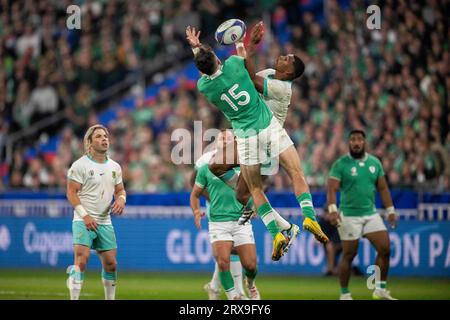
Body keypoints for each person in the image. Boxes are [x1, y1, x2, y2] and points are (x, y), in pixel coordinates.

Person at [186, 23, 328, 261]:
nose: (281, 57)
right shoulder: (238, 67)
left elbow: (230, 72)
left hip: (254, 138)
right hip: (268, 132)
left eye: (287, 59)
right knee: (253, 188)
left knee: (250, 189)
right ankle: (297, 223)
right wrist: (240, 43)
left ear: (290, 72)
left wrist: (240, 42)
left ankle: (277, 230)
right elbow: (237, 65)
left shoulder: (206, 87)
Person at [327, 129, 398, 300]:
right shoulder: (340, 164)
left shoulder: (375, 163)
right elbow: (332, 189)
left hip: (370, 214)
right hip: (349, 216)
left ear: (365, 142)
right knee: (349, 255)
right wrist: (333, 210)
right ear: (349, 143)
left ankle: (380, 289)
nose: (356, 142)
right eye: (353, 139)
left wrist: (391, 210)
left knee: (385, 248)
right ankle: (344, 293)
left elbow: (383, 188)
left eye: (359, 139)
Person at [190, 129, 260, 300]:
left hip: (239, 214)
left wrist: (253, 206)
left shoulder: (242, 159)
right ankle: (236, 294)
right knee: (224, 256)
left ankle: (215, 287)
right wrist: (210, 201)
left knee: (243, 259)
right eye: (222, 138)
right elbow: (194, 183)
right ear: (217, 142)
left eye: (229, 138)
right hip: (216, 213)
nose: (225, 141)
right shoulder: (206, 160)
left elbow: (253, 187)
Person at [66, 124, 126, 300]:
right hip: (83, 219)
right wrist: (84, 215)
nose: (104, 139)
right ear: (89, 143)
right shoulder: (80, 165)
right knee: (82, 260)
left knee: (111, 264)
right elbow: (71, 192)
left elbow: (120, 190)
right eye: (99, 136)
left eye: (106, 136)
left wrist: (121, 200)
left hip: (104, 220)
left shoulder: (115, 167)